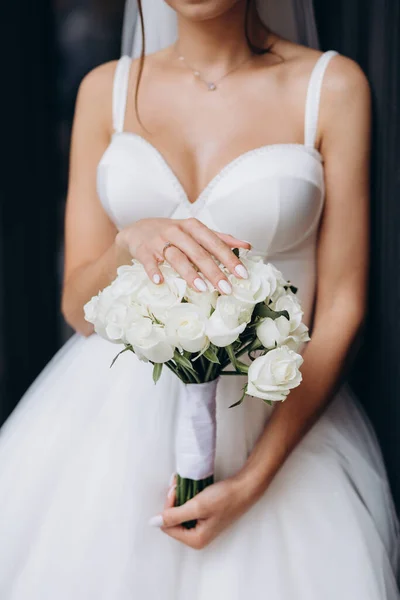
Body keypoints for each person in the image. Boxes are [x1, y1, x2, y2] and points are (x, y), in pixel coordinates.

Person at [0, 0, 399, 598]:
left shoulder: (331, 85)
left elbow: (343, 307)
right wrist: (129, 243)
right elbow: (78, 310)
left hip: (276, 429)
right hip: (106, 434)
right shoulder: (104, 90)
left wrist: (256, 479)